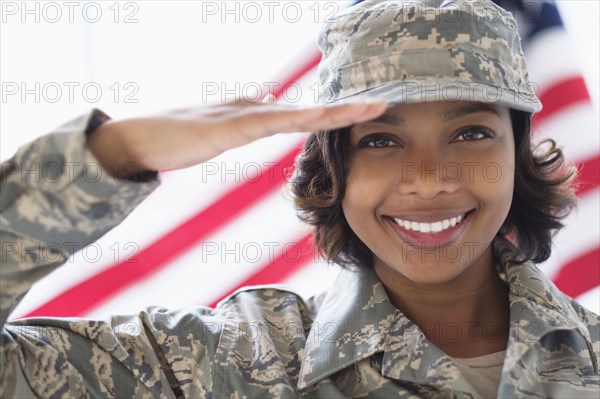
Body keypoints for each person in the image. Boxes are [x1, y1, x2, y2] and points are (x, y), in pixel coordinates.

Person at [1, 0, 598, 397]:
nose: (428, 178)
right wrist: (112, 153)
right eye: (380, 139)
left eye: (470, 132)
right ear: (332, 172)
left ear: (516, 156)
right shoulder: (218, 363)